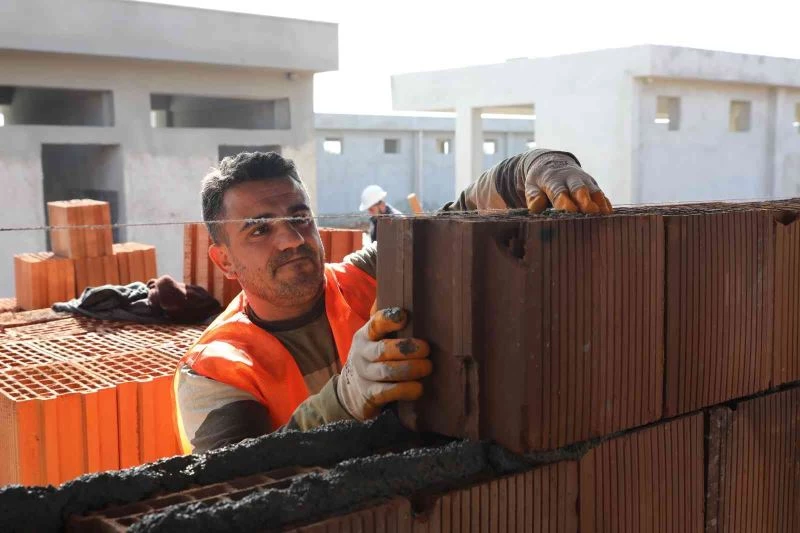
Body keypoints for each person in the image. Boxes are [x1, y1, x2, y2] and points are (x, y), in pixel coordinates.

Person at [173, 149, 612, 453]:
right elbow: (238, 486)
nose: (291, 238)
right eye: (259, 229)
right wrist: (345, 400)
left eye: (299, 217)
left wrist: (531, 169)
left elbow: (458, 217)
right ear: (224, 261)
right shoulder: (214, 370)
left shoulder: (364, 275)